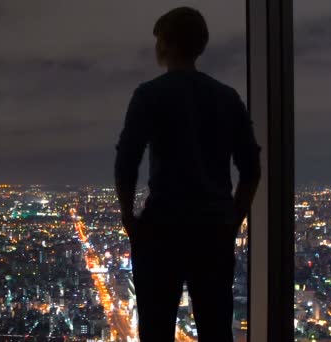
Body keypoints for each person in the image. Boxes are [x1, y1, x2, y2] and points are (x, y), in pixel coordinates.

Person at [114, 7, 261, 342]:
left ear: (165, 44)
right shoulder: (227, 98)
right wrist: (232, 218)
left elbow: (126, 163)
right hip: (213, 230)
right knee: (215, 327)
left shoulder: (149, 95)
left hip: (162, 228)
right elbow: (251, 168)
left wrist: (129, 217)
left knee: (156, 328)